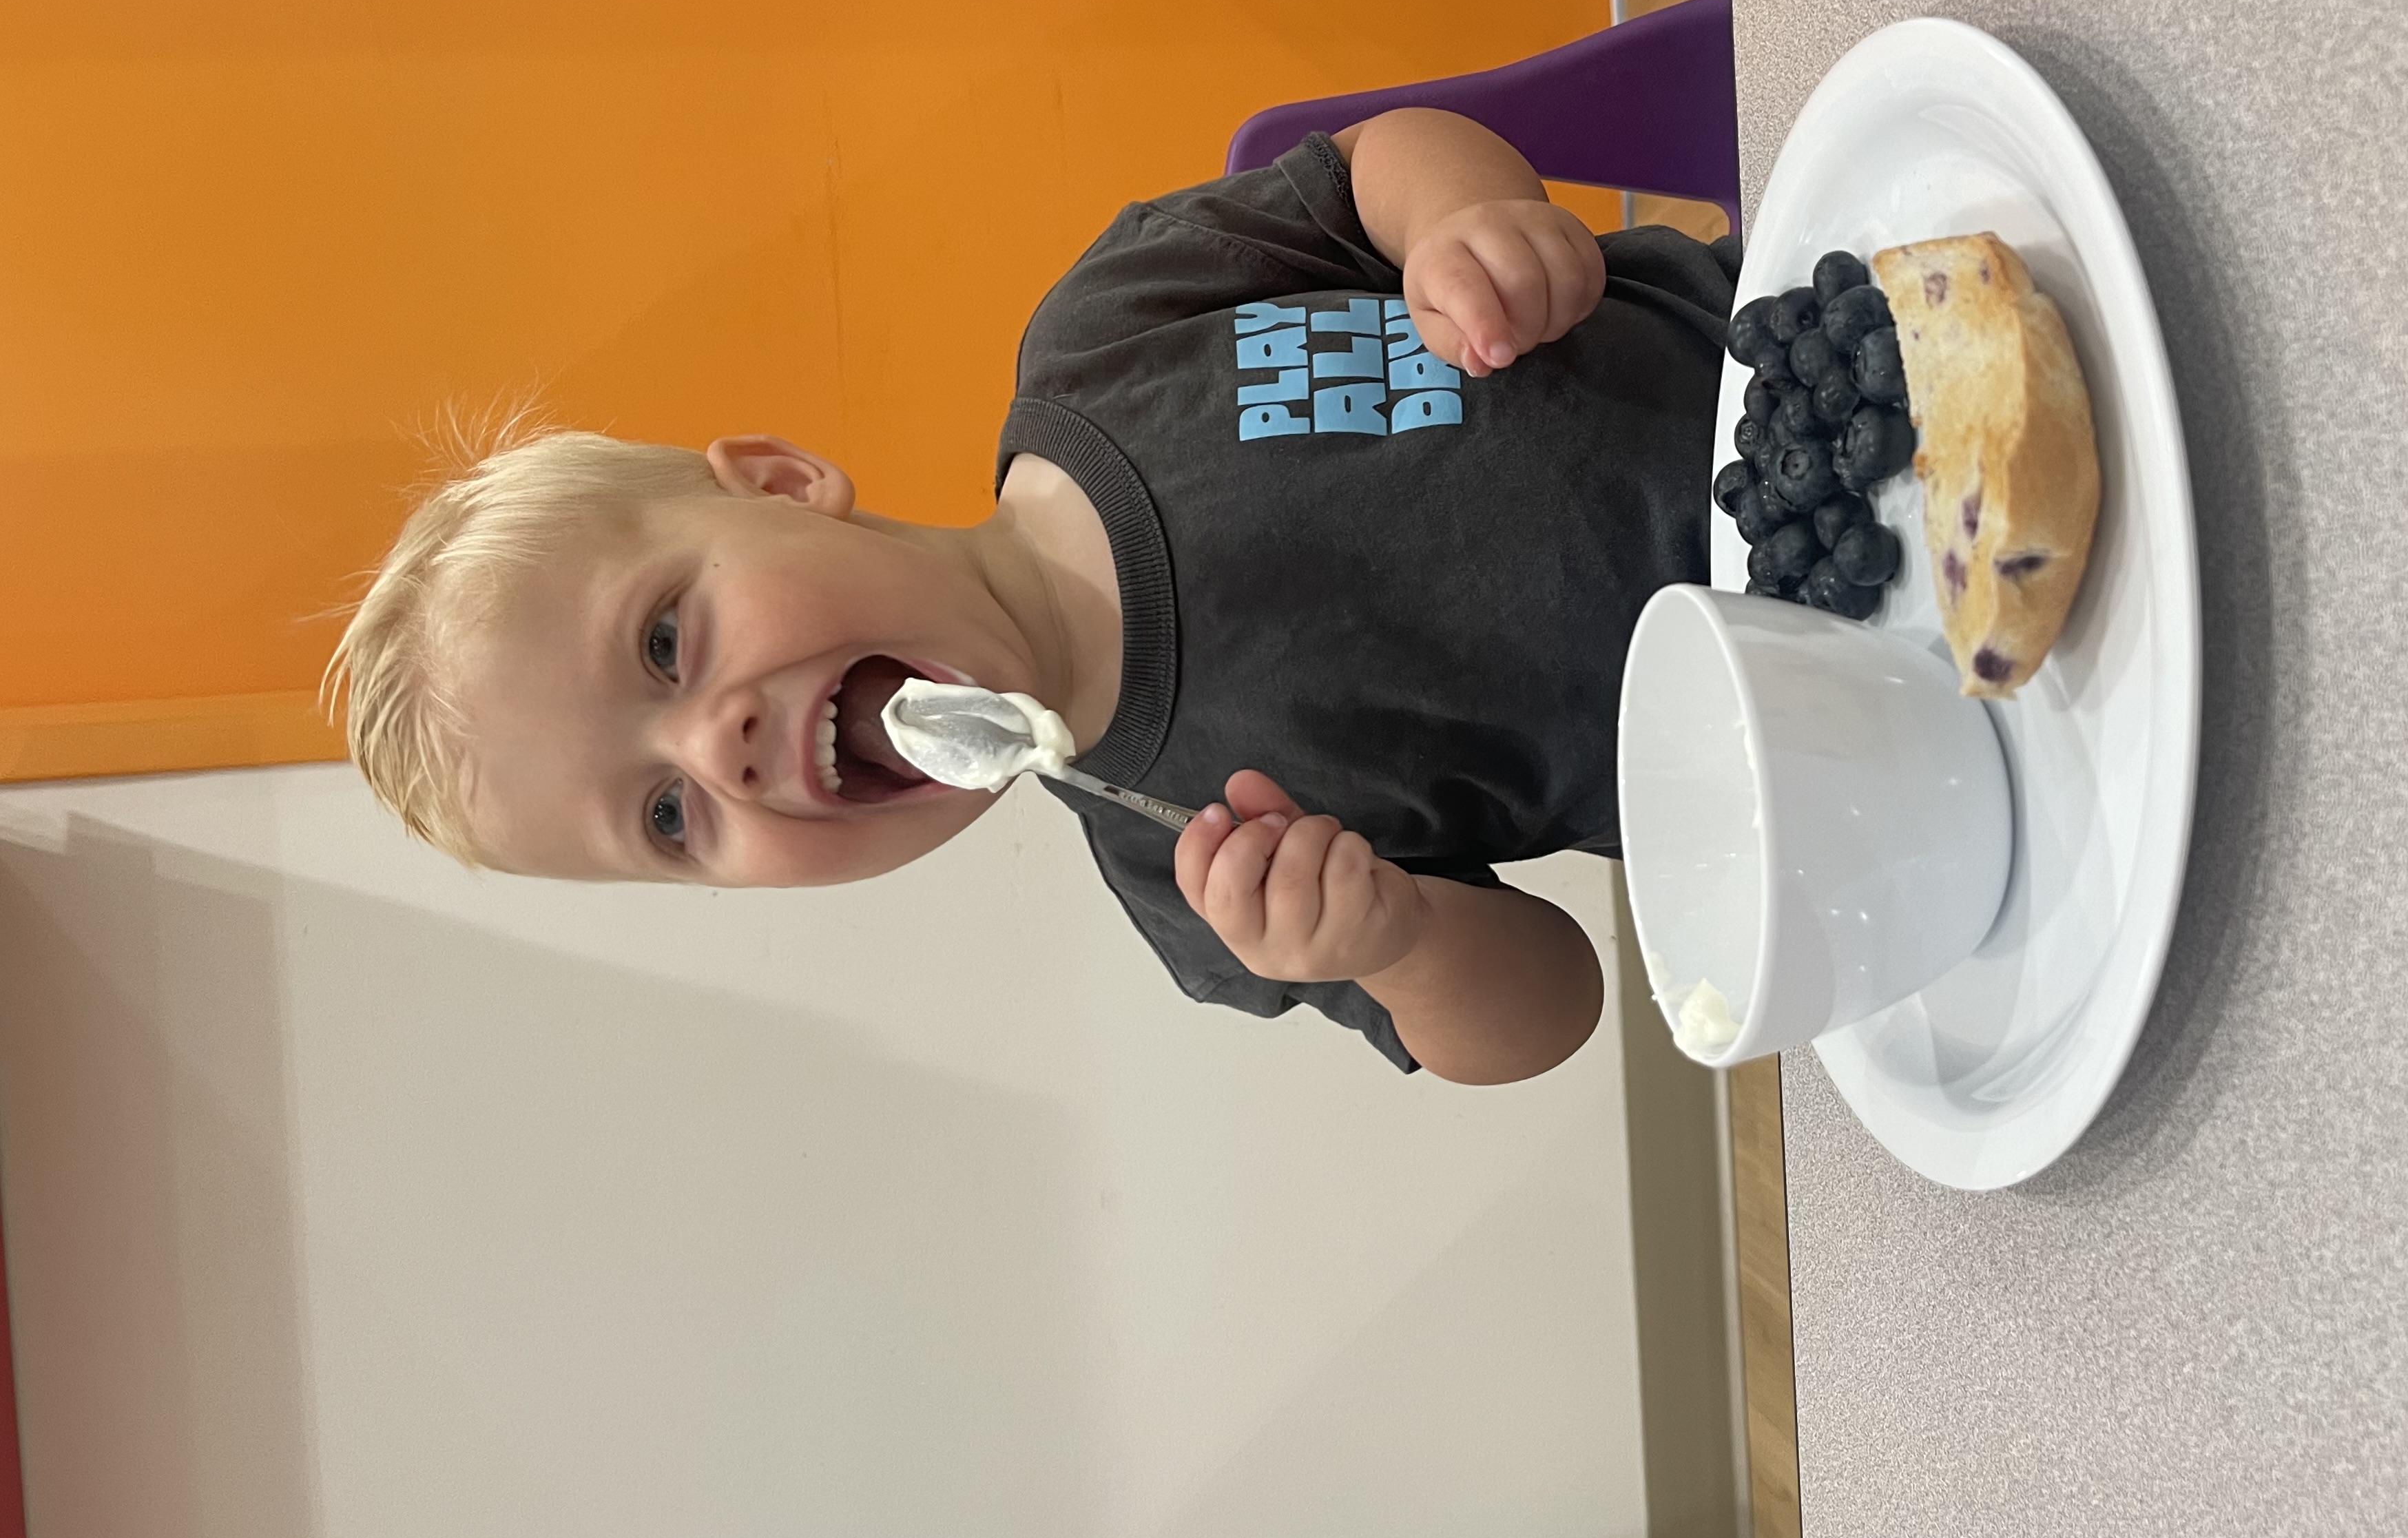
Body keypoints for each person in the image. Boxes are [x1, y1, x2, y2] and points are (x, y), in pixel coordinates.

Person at [329, 110, 1737, 1083]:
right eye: (667, 818)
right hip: (1827, 730)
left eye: (662, 644)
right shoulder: (1198, 877)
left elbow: (1374, 165)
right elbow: (1556, 1006)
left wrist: (1462, 218)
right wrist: (1405, 942)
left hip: (1809, 347)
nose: (714, 748)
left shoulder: (1115, 327)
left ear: (776, 481)